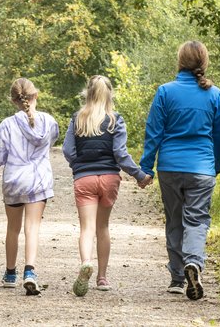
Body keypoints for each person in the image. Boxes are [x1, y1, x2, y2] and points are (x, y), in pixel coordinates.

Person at [139, 40, 220, 301]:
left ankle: (178, 278)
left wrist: (146, 167)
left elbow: (153, 132)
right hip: (202, 167)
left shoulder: (165, 92)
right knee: (197, 219)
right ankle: (194, 263)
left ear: (180, 62)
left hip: (170, 167)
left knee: (174, 220)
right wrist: (216, 165)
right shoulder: (214, 94)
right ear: (204, 63)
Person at [63, 75, 151, 297]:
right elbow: (120, 154)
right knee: (103, 227)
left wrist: (78, 165)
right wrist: (139, 175)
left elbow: (67, 150)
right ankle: (102, 278)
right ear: (109, 94)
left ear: (88, 93)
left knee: (86, 228)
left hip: (84, 179)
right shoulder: (115, 120)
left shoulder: (78, 119)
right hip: (110, 178)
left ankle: (86, 263)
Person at [0, 78, 59, 296]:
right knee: (33, 227)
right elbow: (53, 141)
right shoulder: (49, 122)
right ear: (35, 96)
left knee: (13, 228)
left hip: (14, 182)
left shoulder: (7, 125)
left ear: (13, 101)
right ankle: (30, 271)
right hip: (38, 181)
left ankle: (10, 273)